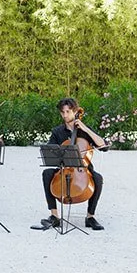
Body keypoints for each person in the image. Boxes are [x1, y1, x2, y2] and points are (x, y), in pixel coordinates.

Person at [33, 97, 108, 232]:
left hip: (83, 168)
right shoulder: (57, 131)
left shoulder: (85, 130)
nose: (65, 115)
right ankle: (54, 216)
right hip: (63, 167)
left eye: (68, 111)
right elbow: (50, 148)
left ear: (75, 111)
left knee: (98, 178)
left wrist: (85, 129)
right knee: (47, 173)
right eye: (63, 112)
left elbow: (103, 146)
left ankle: (90, 217)